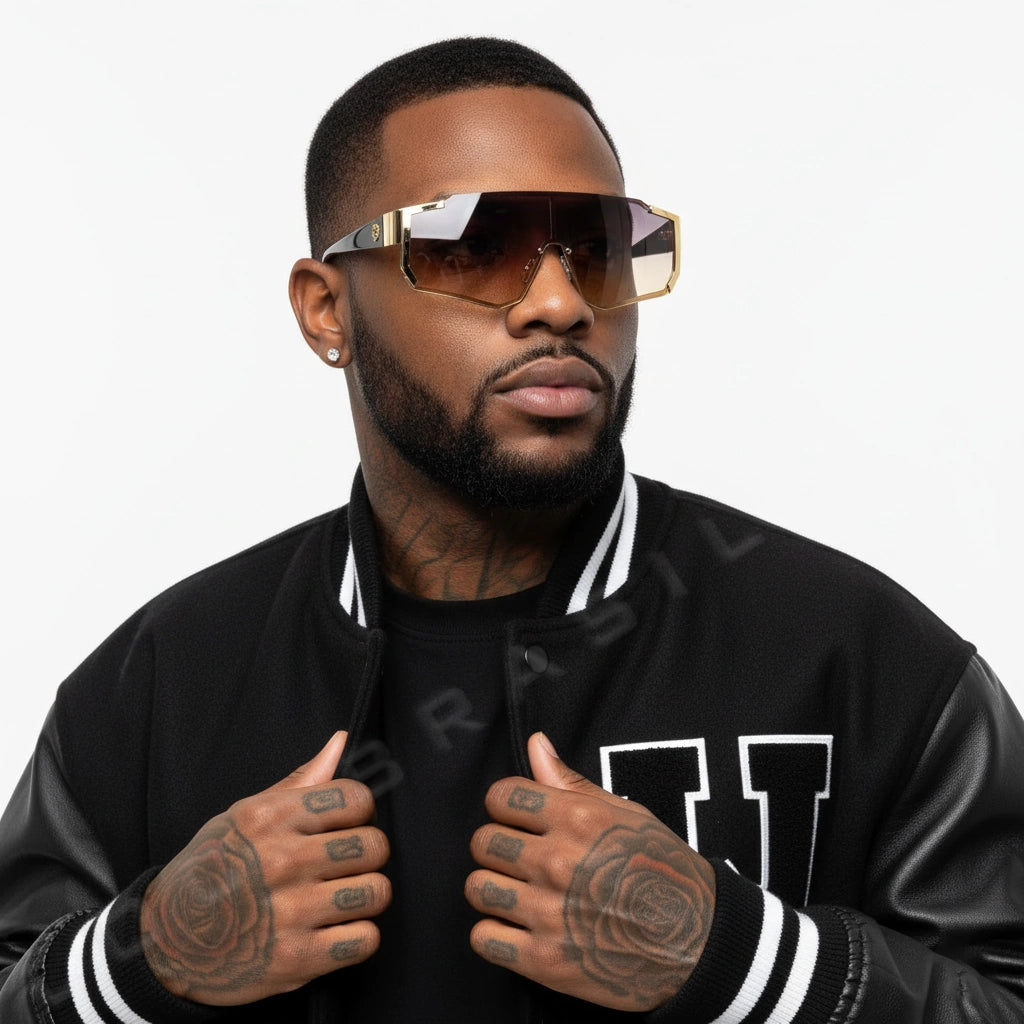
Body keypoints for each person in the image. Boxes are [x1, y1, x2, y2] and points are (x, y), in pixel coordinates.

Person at [1, 34, 1022, 1024]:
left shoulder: (858, 653)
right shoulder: (161, 680)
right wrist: (148, 959)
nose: (560, 303)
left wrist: (740, 958)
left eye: (599, 248)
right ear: (326, 310)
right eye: (474, 247)